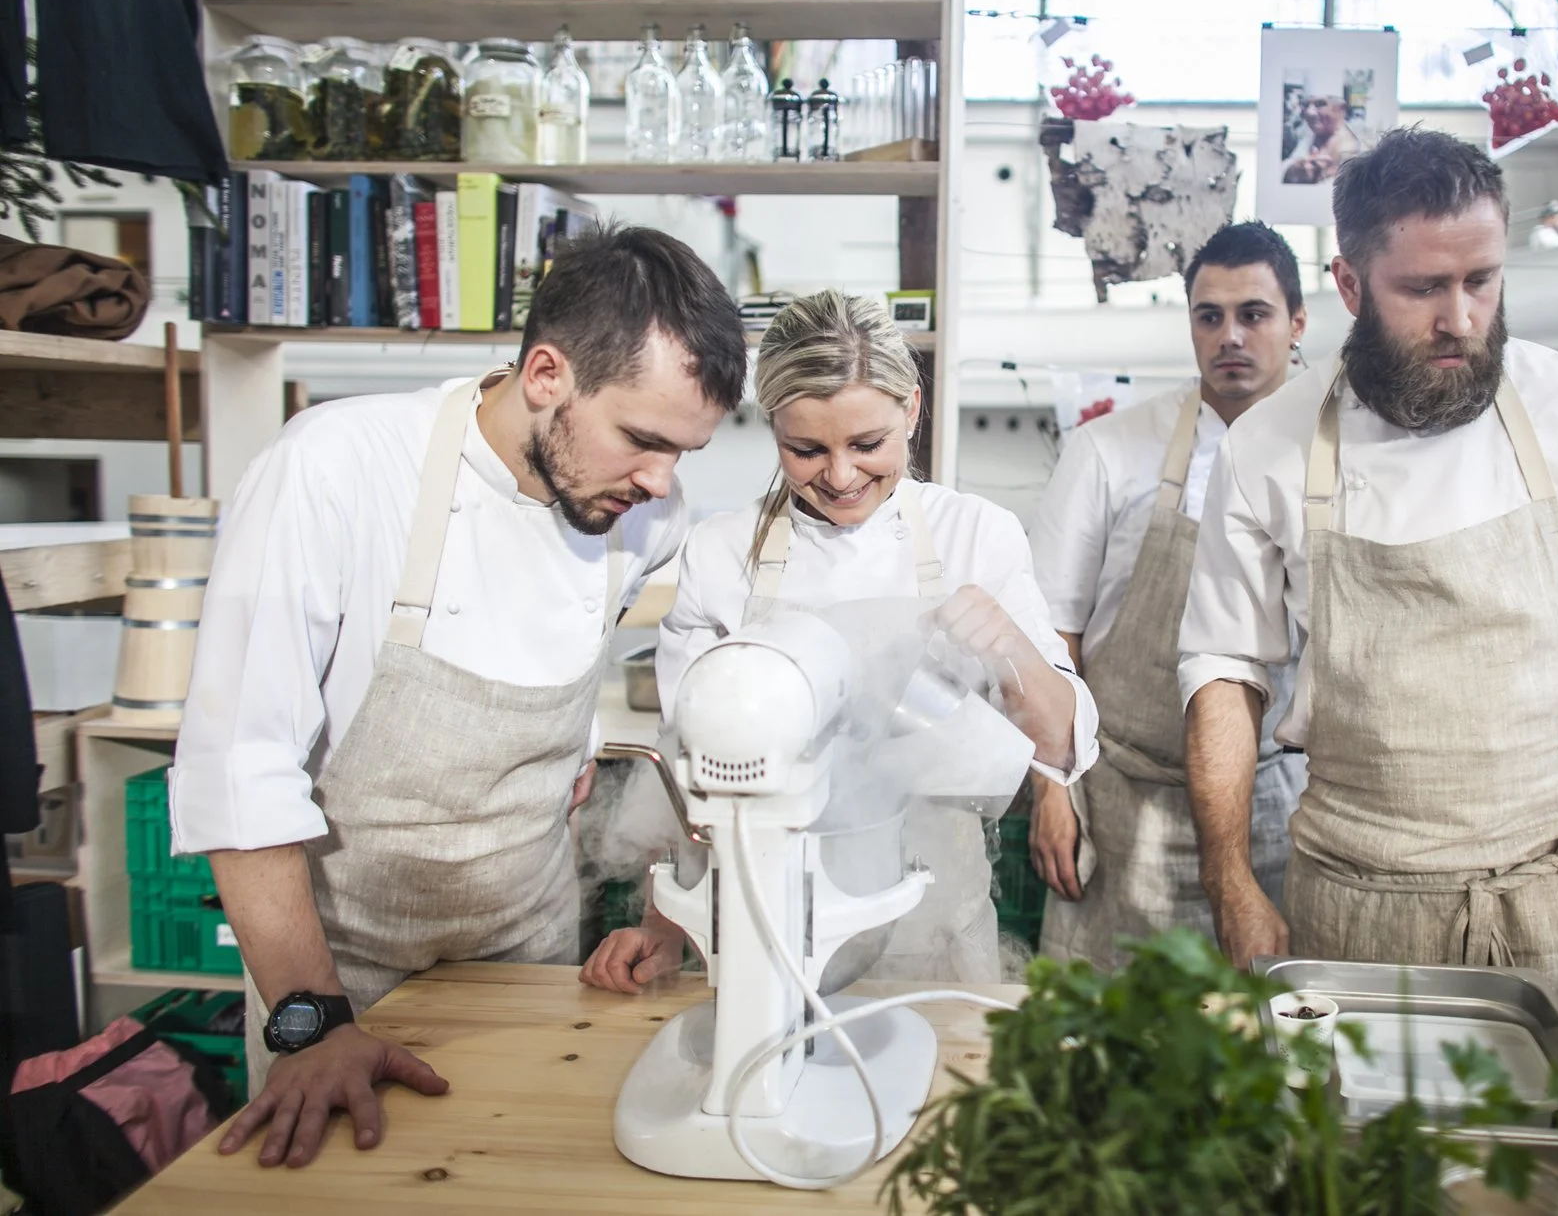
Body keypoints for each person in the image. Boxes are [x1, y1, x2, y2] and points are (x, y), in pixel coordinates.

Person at [169, 226, 748, 1167]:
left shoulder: (641, 515)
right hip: (336, 974)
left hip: (530, 959)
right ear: (547, 374)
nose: (663, 480)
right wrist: (312, 1024)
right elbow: (239, 770)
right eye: (643, 439)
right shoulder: (335, 469)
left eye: (683, 450)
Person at [1180, 128, 1558, 1003]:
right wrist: (1231, 878)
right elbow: (1223, 668)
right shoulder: (1269, 448)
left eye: (1481, 279)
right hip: (1363, 907)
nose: (1461, 319)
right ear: (1350, 285)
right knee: (1363, 1143)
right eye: (1423, 289)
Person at [581, 290, 1098, 992]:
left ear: (911, 409)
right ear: (772, 428)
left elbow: (1061, 745)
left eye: (867, 444)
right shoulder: (720, 552)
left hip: (933, 920)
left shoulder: (976, 535)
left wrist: (1011, 650)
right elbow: (690, 772)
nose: (842, 475)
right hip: (759, 925)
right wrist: (665, 927)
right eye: (806, 448)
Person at [1031, 221, 1307, 970]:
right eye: (1209, 315)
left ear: (1297, 322)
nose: (1230, 336)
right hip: (1123, 803)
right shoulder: (1110, 451)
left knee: (1259, 1046)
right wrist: (1053, 791)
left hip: (1276, 804)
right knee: (1109, 1036)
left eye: (1254, 313)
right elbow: (1052, 639)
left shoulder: (1333, 456)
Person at [1283, 94, 1361, 185]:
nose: (1309, 112)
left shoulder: (1349, 149)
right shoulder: (1308, 132)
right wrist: (1295, 170)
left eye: (1320, 104)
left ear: (1341, 109)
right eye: (1306, 105)